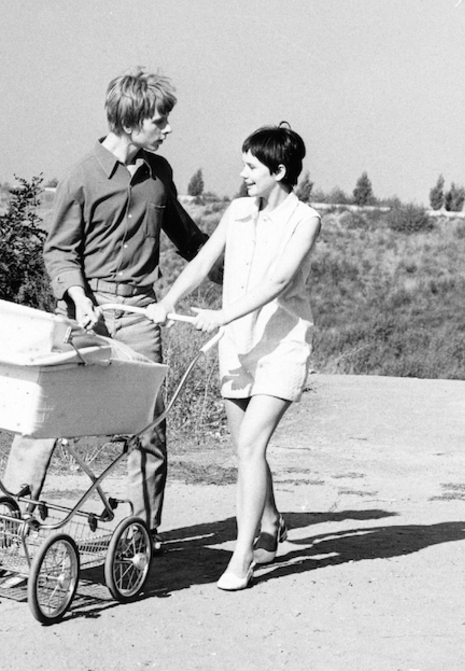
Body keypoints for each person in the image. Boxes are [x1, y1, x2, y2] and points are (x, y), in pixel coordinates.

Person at [1, 67, 212, 551]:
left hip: (139, 316)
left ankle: (140, 534)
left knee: (148, 429)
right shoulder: (82, 174)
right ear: (132, 119)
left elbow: (188, 237)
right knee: (42, 417)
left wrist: (241, 271)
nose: (168, 128)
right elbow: (58, 250)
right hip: (84, 314)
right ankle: (14, 518)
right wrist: (77, 295)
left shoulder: (160, 174)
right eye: (161, 119)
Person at [147, 122, 321, 591]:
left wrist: (221, 314)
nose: (243, 173)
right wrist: (169, 301)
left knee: (250, 447)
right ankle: (272, 521)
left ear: (278, 171)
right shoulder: (239, 210)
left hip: (281, 346)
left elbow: (278, 283)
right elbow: (203, 260)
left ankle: (241, 557)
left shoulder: (305, 220)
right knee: (244, 448)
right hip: (236, 344)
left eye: (251, 166)